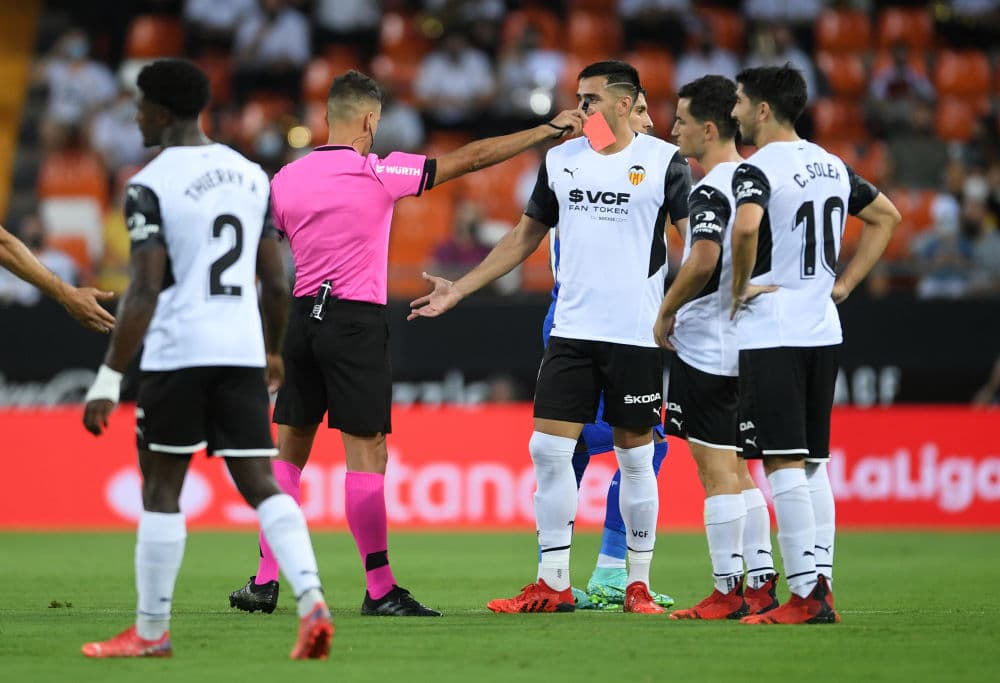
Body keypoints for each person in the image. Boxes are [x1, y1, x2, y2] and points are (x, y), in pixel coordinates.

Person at [228, 69, 584, 617]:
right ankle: (379, 589)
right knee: (366, 454)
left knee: (289, 453)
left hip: (299, 320)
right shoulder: (381, 171)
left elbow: (264, 265)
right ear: (371, 120)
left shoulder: (284, 181)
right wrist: (544, 132)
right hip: (355, 322)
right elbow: (471, 157)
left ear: (326, 118)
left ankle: (266, 579)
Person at [410, 60, 692, 614]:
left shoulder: (664, 162)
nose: (578, 108)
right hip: (571, 331)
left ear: (624, 100)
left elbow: (701, 245)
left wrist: (686, 308)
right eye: (578, 97)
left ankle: (633, 583)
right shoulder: (561, 161)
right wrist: (460, 290)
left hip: (635, 334)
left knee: (637, 460)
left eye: (590, 98)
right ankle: (553, 582)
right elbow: (523, 238)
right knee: (547, 450)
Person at [80, 59, 333, 659]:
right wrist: (272, 349)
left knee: (162, 486)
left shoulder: (148, 183)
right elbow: (276, 280)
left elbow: (143, 289)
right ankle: (312, 599)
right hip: (240, 351)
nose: (135, 116)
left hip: (178, 353)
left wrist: (109, 376)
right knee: (262, 484)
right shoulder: (250, 175)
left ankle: (149, 632)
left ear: (162, 112)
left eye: (140, 105)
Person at [729, 64, 901, 624]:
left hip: (773, 329)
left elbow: (748, 227)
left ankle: (806, 594)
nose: (732, 112)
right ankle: (820, 580)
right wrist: (843, 284)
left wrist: (737, 289)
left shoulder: (757, 170)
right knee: (812, 465)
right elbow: (886, 216)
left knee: (780, 462)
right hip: (823, 327)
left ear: (761, 109)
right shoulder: (830, 164)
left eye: (738, 102)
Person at [652, 75, 779, 620]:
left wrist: (667, 308)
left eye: (680, 119)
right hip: (749, 340)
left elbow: (703, 257)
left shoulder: (710, 188)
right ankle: (763, 582)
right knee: (741, 468)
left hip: (706, 343)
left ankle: (728, 589)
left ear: (708, 128)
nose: (673, 128)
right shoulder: (755, 178)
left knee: (715, 472)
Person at [544, 89, 673, 610]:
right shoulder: (587, 159)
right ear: (620, 110)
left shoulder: (638, 165)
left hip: (614, 323)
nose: (649, 123)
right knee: (615, 447)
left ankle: (576, 572)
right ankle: (603, 572)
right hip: (583, 322)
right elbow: (597, 136)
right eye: (640, 110)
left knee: (583, 449)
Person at [0, 220, 114, 333]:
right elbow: (5, 247)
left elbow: (4, 246)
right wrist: (67, 294)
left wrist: (68, 294)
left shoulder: (61, 259)